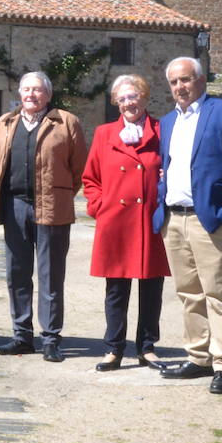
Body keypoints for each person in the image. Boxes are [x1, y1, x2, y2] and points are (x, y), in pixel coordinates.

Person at [154, 56, 222, 395]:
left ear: (201, 80)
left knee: (219, 294)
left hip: (210, 220)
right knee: (188, 293)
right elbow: (166, 169)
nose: (180, 87)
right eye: (174, 82)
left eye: (185, 80)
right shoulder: (169, 122)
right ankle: (198, 357)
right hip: (174, 217)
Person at [0, 71, 88, 362]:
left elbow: (78, 167)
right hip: (14, 206)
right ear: (20, 93)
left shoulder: (66, 122)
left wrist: (58, 194)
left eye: (37, 90)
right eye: (26, 90)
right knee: (17, 274)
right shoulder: (5, 123)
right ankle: (21, 335)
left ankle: (50, 338)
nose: (31, 95)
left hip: (52, 207)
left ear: (48, 94)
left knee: (50, 274)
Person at [81, 74, 171, 372]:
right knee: (116, 289)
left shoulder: (162, 130)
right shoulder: (104, 133)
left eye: (133, 96)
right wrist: (100, 207)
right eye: (121, 99)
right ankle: (113, 349)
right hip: (116, 222)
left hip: (149, 220)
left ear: (144, 97)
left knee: (151, 287)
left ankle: (147, 348)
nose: (128, 103)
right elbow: (90, 178)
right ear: (115, 104)